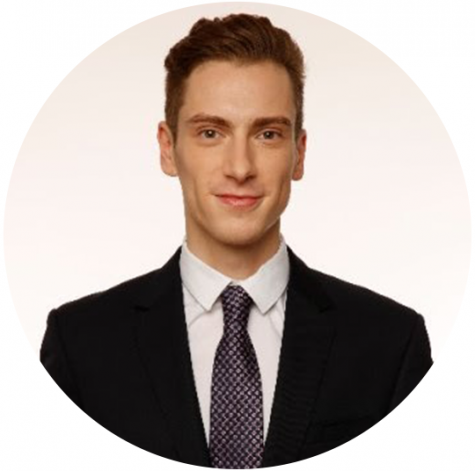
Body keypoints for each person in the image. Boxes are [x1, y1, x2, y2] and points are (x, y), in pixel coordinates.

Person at [40, 13, 433, 468]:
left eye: (268, 134)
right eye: (211, 133)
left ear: (298, 154)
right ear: (168, 148)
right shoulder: (81, 343)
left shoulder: (389, 343)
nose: (240, 167)